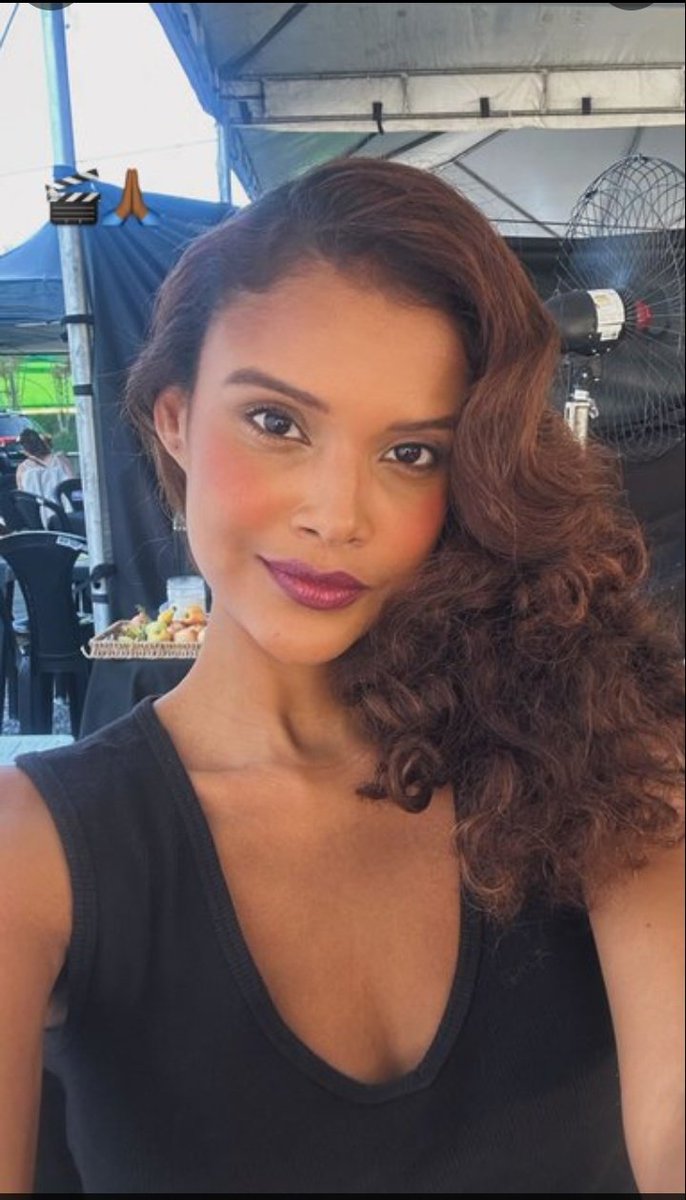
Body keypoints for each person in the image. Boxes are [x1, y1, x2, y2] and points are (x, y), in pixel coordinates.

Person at [1, 157, 684, 1194]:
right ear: (175, 418)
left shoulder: (590, 755)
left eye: (411, 453)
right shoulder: (37, 853)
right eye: (277, 423)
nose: (336, 515)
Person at [15, 428, 74, 528]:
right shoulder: (61, 461)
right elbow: (72, 484)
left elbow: (22, 497)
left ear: (25, 449)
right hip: (66, 516)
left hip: (38, 519)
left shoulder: (23, 469)